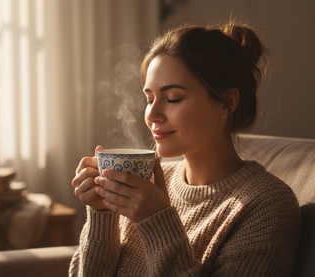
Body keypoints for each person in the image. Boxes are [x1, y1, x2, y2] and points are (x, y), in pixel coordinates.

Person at [70, 22, 301, 276]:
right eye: (149, 99)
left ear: (226, 102)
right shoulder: (145, 184)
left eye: (172, 99)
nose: (152, 115)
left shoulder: (266, 206)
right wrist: (102, 214)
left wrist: (158, 223)